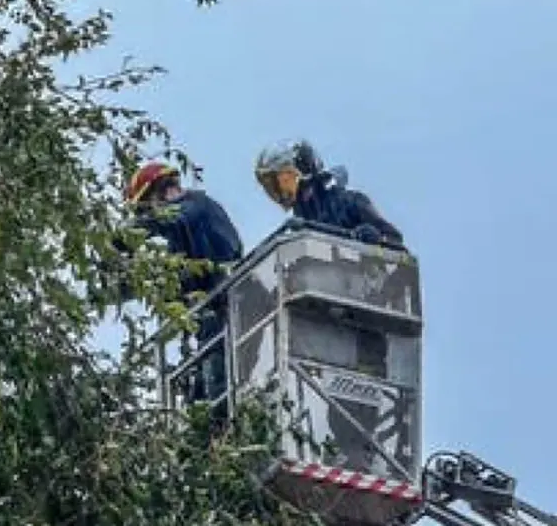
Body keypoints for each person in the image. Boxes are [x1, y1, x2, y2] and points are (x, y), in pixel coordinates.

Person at [120, 161, 244, 406]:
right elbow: (173, 281)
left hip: (228, 309)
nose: (148, 215)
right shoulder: (179, 240)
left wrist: (126, 235)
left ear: (162, 192)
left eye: (148, 208)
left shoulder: (198, 207)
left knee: (219, 387)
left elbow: (172, 219)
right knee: (198, 392)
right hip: (208, 321)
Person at [253, 140, 406, 249]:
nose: (276, 191)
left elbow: (395, 241)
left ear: (299, 173)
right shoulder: (297, 228)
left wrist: (376, 238)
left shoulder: (350, 203)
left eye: (278, 181)